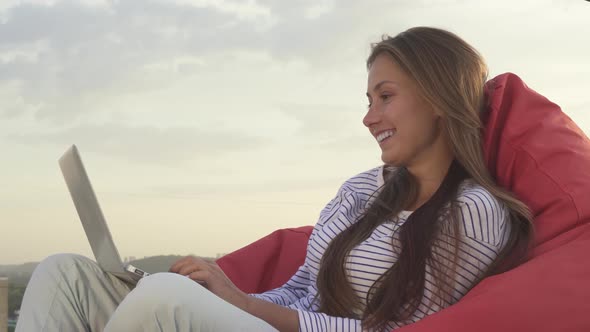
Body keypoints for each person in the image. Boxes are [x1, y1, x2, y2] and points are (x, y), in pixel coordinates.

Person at [16, 27, 533, 332]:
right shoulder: (360, 191)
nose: (369, 117)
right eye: (368, 101)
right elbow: (303, 289)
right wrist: (226, 297)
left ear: (440, 97)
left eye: (386, 96)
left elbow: (406, 331)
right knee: (65, 274)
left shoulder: (474, 211)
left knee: (162, 300)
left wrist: (245, 307)